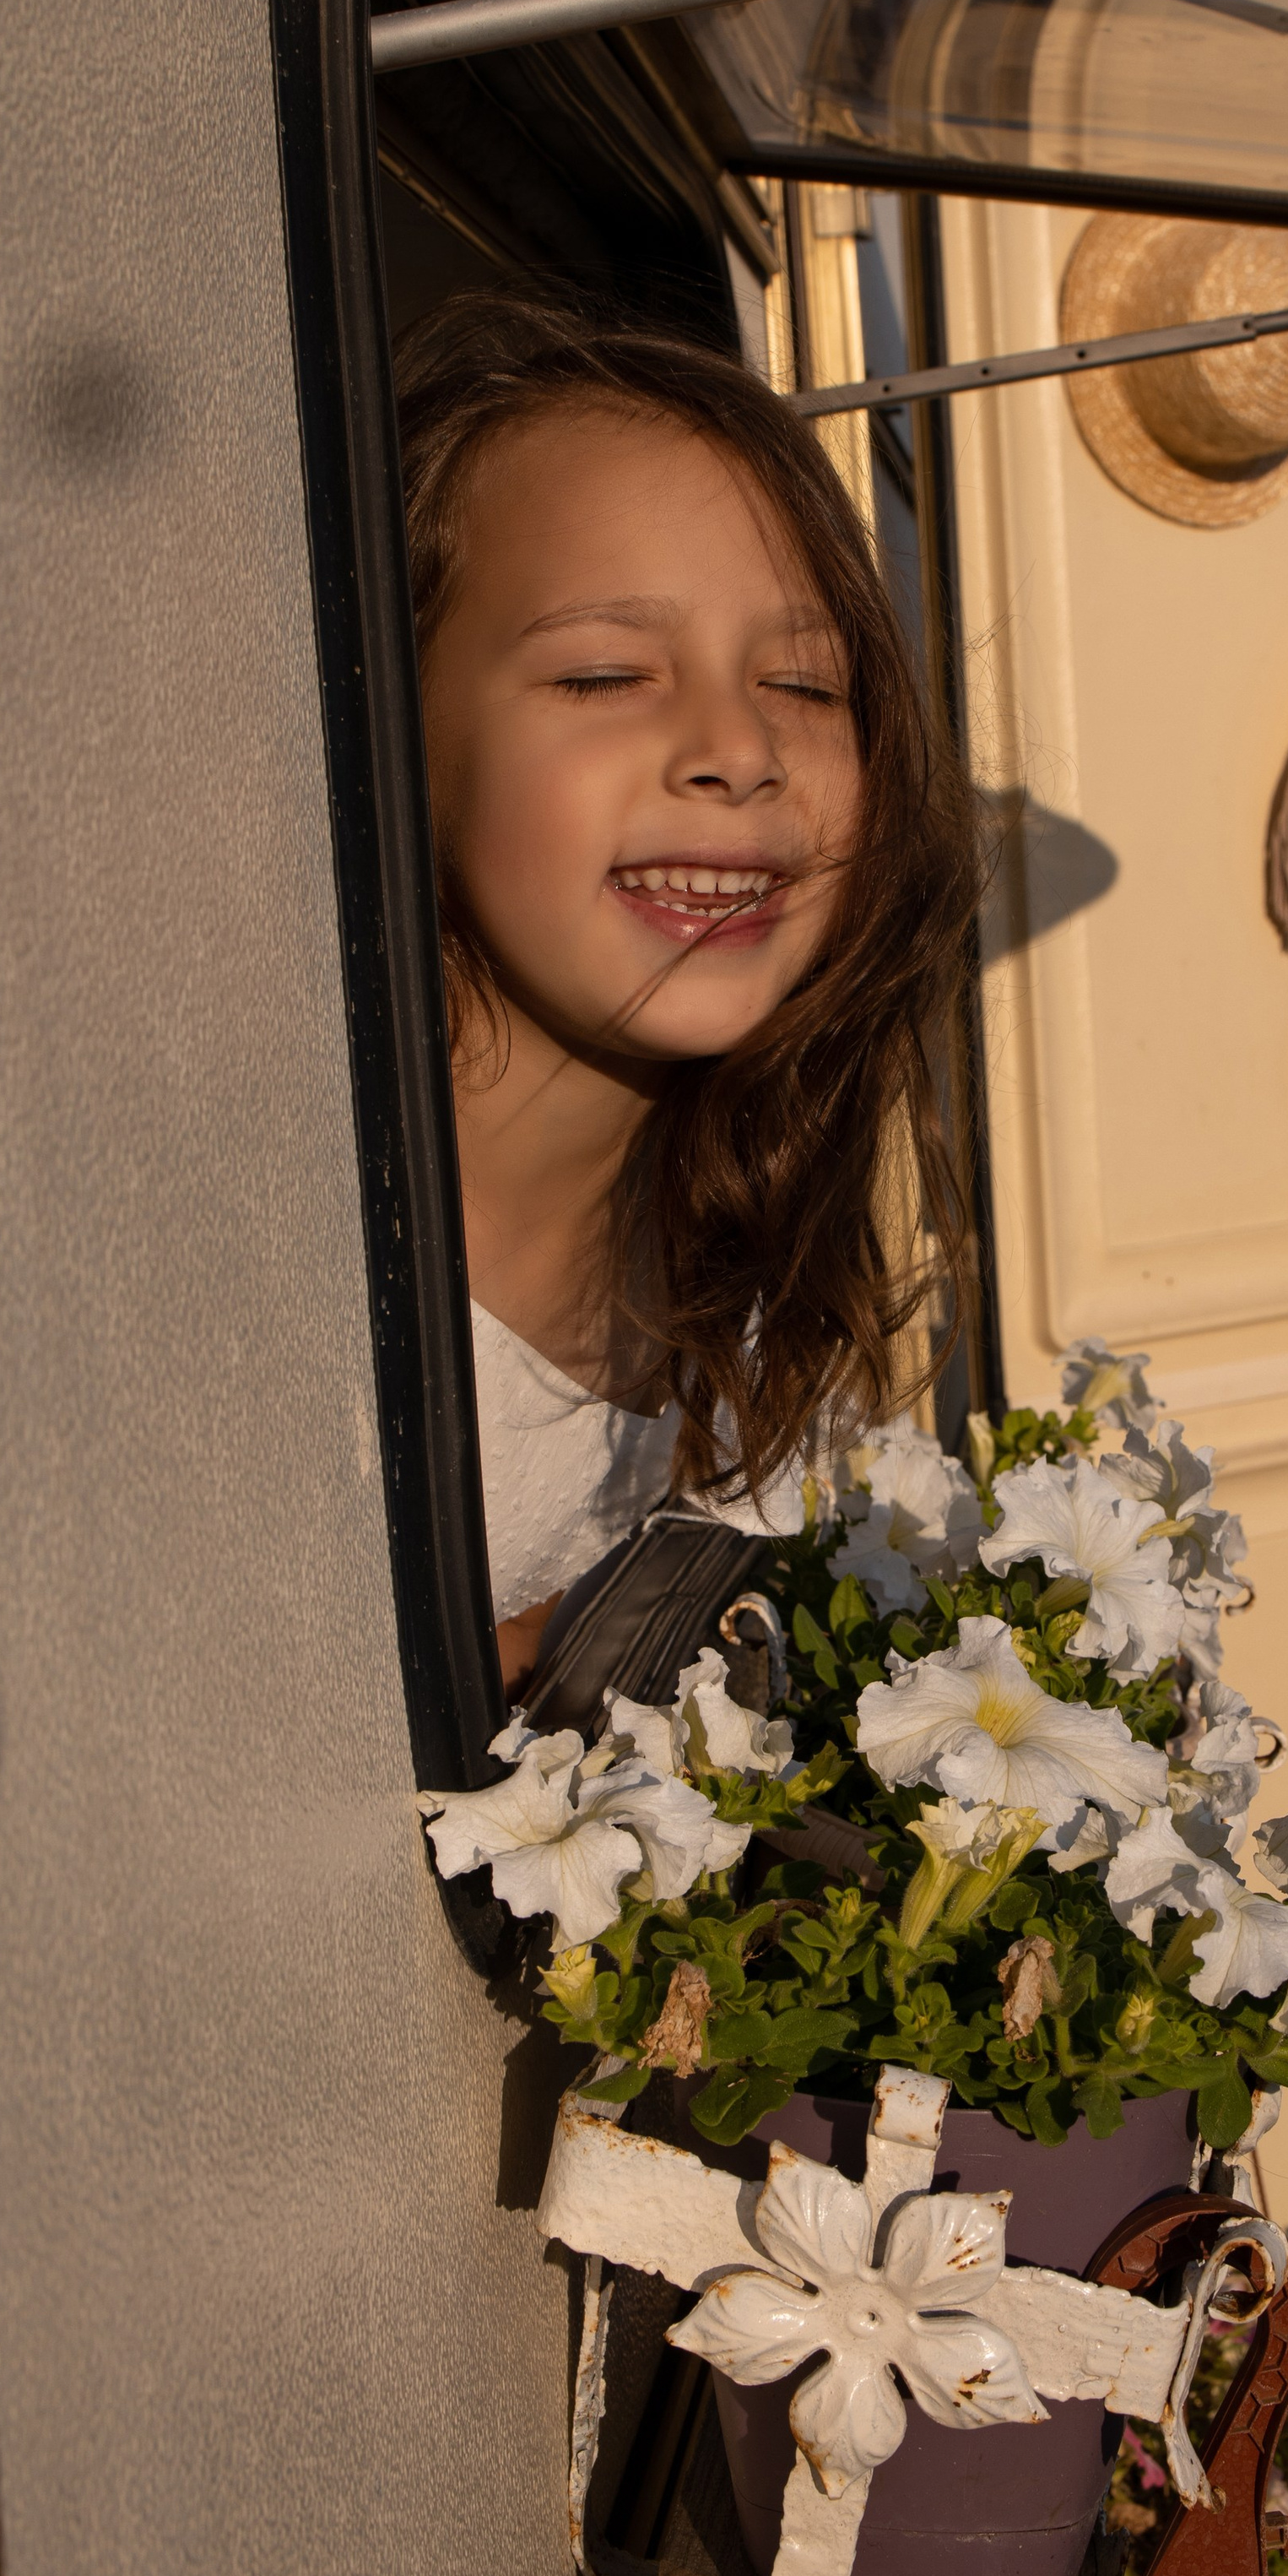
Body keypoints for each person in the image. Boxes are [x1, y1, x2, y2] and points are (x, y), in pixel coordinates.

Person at [395, 290, 982, 1691]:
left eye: (808, 682)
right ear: (388, 720)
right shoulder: (252, 1290)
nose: (737, 747)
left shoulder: (758, 1325)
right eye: (605, 675)